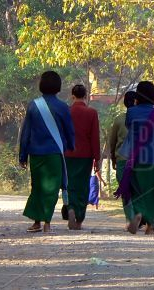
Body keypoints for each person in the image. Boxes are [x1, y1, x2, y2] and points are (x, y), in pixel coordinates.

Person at [19, 71, 75, 233]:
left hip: (36, 154)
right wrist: (71, 146)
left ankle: (36, 222)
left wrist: (23, 155)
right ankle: (47, 223)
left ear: (41, 86)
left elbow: (26, 133)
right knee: (51, 189)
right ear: (58, 87)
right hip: (54, 154)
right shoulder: (63, 107)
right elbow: (69, 131)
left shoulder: (33, 105)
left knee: (37, 187)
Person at [117, 81, 154, 235]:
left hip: (132, 157)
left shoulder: (131, 113)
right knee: (149, 190)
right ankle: (150, 224)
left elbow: (128, 128)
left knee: (135, 190)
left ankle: (138, 214)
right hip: (151, 159)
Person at [64, 84, 101, 230]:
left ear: (72, 96)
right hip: (85, 155)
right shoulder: (92, 113)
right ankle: (79, 218)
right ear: (86, 96)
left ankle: (71, 207)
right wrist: (97, 158)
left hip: (68, 154)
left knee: (70, 184)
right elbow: (94, 137)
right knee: (83, 185)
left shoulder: (66, 112)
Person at [109, 91, 136, 223]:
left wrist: (113, 159)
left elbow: (112, 142)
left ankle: (130, 218)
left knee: (126, 190)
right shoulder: (144, 120)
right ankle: (138, 217)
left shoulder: (119, 120)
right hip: (140, 160)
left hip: (122, 160)